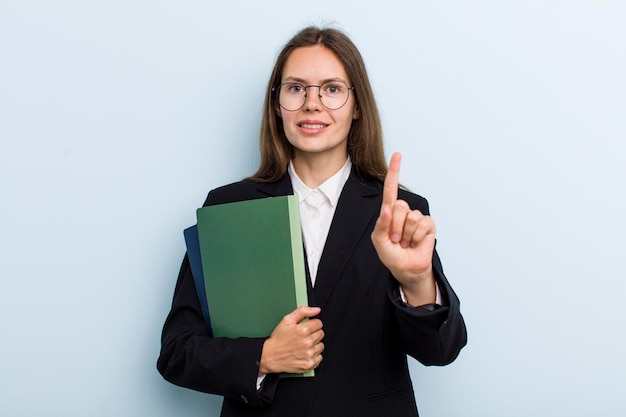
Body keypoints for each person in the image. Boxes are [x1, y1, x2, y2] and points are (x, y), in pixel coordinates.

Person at [157, 26, 467, 417]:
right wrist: (263, 357)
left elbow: (442, 351)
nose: (312, 104)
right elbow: (176, 351)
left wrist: (417, 282)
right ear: (276, 104)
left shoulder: (401, 211)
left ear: (357, 106)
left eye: (332, 89)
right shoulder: (228, 207)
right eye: (296, 88)